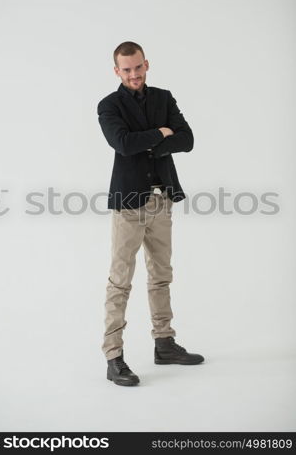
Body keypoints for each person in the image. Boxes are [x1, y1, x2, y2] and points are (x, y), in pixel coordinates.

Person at [97, 41, 204, 387]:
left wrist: (147, 139)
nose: (133, 74)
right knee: (120, 281)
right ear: (117, 71)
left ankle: (165, 343)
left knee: (161, 274)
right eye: (126, 69)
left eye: (138, 67)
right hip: (128, 204)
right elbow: (123, 144)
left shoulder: (164, 97)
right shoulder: (109, 105)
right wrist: (160, 133)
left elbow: (187, 140)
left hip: (161, 198)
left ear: (147, 64)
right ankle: (114, 357)